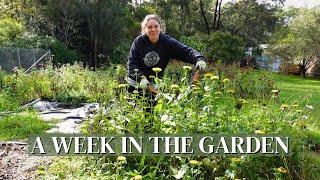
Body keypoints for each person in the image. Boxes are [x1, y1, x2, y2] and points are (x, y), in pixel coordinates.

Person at [126, 14, 207, 111]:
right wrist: (140, 78)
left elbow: (186, 51)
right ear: (144, 29)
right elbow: (132, 64)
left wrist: (198, 58)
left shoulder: (167, 42)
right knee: (133, 114)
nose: (153, 29)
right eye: (149, 27)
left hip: (153, 86)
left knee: (150, 113)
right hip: (135, 84)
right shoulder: (138, 42)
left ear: (160, 28)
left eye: (156, 26)